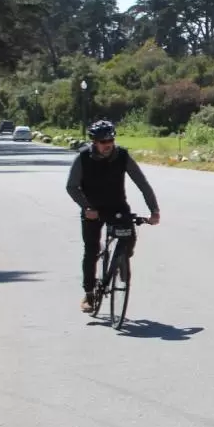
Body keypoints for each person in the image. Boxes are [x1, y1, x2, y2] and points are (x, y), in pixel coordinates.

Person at [65, 120, 161, 312]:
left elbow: (142, 183)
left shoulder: (122, 156)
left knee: (129, 236)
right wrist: (86, 207)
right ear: (94, 142)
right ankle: (90, 294)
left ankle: (121, 260)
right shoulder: (83, 158)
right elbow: (71, 187)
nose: (107, 144)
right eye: (102, 141)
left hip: (117, 206)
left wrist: (154, 210)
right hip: (92, 209)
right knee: (91, 250)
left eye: (110, 139)